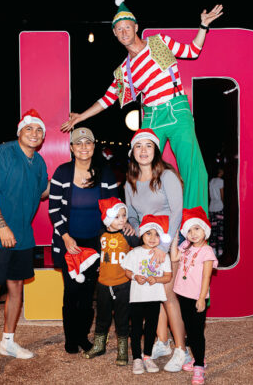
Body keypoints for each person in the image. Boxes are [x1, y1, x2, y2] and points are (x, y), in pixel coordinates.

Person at [61, 0, 224, 214]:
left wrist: (203, 26)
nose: (124, 32)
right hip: (152, 117)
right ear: (115, 34)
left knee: (194, 168)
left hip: (176, 110)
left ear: (136, 27)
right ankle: (151, 221)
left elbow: (192, 51)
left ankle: (194, 224)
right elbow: (107, 98)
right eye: (118, 29)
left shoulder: (158, 42)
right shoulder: (124, 70)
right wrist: (81, 116)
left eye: (127, 27)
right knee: (144, 169)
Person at [0, 109, 49, 377]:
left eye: (39, 130)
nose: (34, 133)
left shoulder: (39, 162)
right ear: (19, 132)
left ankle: (8, 342)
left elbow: (43, 192)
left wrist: (72, 182)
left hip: (22, 233)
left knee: (16, 286)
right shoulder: (1, 154)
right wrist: (1, 224)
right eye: (29, 129)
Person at [49, 127, 119, 354]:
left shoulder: (105, 173)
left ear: (93, 146)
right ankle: (71, 338)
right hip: (69, 242)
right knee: (71, 293)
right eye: (78, 143)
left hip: (95, 244)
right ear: (71, 148)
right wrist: (66, 237)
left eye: (87, 142)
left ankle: (82, 336)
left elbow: (113, 208)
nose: (83, 147)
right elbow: (54, 209)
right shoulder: (62, 172)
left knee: (88, 296)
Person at [124, 128, 189, 372]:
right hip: (147, 244)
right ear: (133, 152)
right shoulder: (130, 182)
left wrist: (164, 245)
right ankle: (162, 342)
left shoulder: (167, 176)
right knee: (155, 294)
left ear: (155, 150)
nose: (143, 151)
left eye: (148, 146)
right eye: (138, 146)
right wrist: (131, 227)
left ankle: (181, 350)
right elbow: (132, 215)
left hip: (168, 241)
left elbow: (176, 212)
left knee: (169, 296)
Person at [83, 197, 138, 365]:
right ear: (108, 219)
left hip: (123, 284)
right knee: (102, 317)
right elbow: (99, 254)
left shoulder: (129, 236)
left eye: (124, 215)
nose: (122, 219)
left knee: (122, 318)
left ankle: (123, 349)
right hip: (103, 284)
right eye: (117, 216)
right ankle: (99, 344)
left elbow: (140, 252)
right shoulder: (101, 235)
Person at [171, 207, 218, 385]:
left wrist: (201, 298)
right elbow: (175, 257)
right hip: (182, 294)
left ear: (205, 229)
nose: (193, 233)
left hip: (196, 297)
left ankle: (199, 366)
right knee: (190, 330)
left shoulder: (207, 251)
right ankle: (198, 358)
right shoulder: (186, 246)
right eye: (189, 230)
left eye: (197, 229)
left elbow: (207, 276)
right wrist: (176, 238)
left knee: (197, 332)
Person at [121, 215, 172, 375]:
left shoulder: (163, 255)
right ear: (142, 234)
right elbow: (127, 271)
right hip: (137, 297)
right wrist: (135, 276)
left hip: (154, 298)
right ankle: (137, 358)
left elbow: (168, 276)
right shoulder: (135, 253)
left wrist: (156, 279)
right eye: (148, 233)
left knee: (151, 328)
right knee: (136, 328)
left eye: (157, 234)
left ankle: (147, 356)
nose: (152, 238)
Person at [208, 167, 225, 257]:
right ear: (220, 172)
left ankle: (213, 249)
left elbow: (210, 195)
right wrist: (224, 204)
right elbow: (222, 195)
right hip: (219, 207)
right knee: (220, 230)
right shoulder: (221, 181)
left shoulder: (211, 181)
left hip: (212, 207)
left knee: (213, 230)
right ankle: (220, 250)